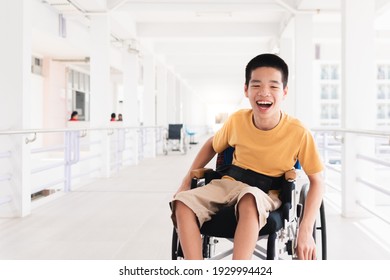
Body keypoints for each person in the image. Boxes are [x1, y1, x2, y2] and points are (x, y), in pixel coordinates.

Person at [171, 53, 324, 260]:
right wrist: (187, 180)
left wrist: (305, 230)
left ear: (284, 92)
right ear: (246, 90)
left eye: (273, 86)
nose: (264, 93)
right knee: (182, 202)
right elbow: (212, 144)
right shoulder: (237, 121)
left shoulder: (298, 132)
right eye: (256, 85)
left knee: (249, 199)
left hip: (266, 191)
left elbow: (317, 181)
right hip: (229, 183)